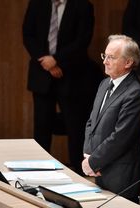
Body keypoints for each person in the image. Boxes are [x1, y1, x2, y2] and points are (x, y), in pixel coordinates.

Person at [22, 0, 100, 176]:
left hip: (72, 75)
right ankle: (38, 172)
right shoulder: (37, 3)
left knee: (75, 128)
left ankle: (79, 173)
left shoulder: (83, 6)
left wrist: (56, 60)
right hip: (42, 74)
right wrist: (46, 61)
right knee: (41, 126)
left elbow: (82, 40)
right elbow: (28, 35)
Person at [82, 35, 140, 202]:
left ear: (128, 63)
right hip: (101, 170)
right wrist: (88, 155)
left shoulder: (135, 93)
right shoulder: (105, 84)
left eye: (111, 57)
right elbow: (92, 122)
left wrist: (94, 161)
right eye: (105, 56)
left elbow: (121, 137)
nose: (105, 61)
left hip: (122, 177)